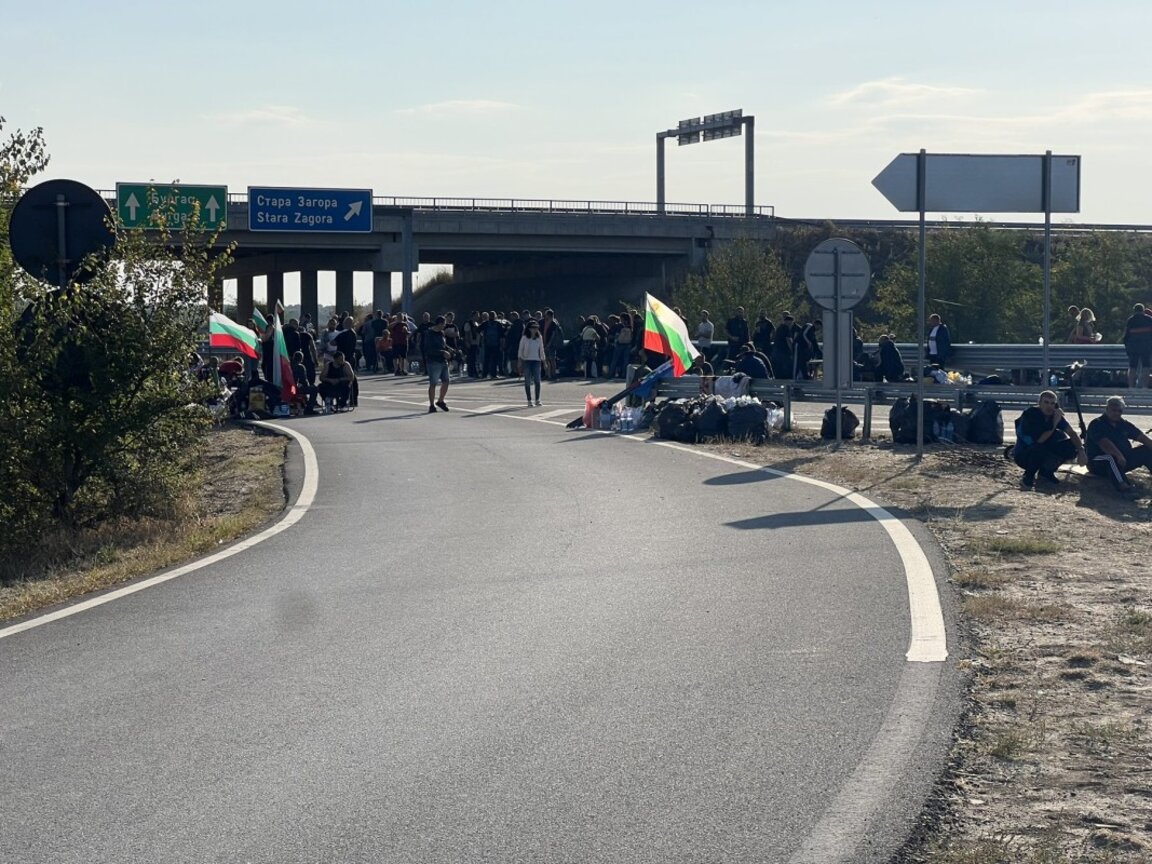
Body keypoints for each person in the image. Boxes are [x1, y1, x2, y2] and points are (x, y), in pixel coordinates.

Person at [1011, 390, 1087, 488]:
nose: (1049, 406)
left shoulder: (1055, 415)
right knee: (1039, 448)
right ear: (1039, 403)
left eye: (1052, 403)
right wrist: (1055, 423)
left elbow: (1072, 433)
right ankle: (1028, 477)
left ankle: (1046, 472)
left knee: (1071, 445)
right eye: (1046, 402)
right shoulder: (1030, 414)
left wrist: (1081, 451)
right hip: (1025, 454)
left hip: (1044, 449)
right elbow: (1039, 441)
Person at [1085, 396, 1152, 494]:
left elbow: (1142, 438)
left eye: (1119, 411)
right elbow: (1104, 443)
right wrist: (1118, 455)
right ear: (1107, 409)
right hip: (1098, 462)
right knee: (1111, 457)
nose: (1116, 413)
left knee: (1146, 450)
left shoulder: (1124, 424)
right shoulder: (1097, 424)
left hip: (1122, 461)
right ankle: (1123, 486)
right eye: (1113, 410)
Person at [422, 316, 452, 413]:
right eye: (443, 324)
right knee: (433, 383)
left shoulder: (441, 333)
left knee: (446, 381)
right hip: (433, 361)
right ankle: (431, 405)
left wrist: (450, 349)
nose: (444, 326)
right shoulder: (429, 334)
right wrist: (442, 352)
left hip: (443, 361)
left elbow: (443, 345)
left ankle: (440, 401)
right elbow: (428, 349)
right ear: (439, 324)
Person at [1122, 303, 1152, 388]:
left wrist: (1127, 348)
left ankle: (1131, 386)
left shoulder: (1130, 320)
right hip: (1146, 347)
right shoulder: (1149, 319)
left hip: (1133, 347)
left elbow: (1126, 336)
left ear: (1134, 310)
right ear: (1143, 310)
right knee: (1146, 366)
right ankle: (1144, 387)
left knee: (1132, 367)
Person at [519, 318, 546, 406]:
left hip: (536, 361)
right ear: (529, 329)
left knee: (537, 381)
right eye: (533, 327)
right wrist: (520, 361)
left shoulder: (539, 338)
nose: (535, 329)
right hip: (527, 361)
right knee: (527, 381)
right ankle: (529, 400)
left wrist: (544, 361)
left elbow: (542, 350)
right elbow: (520, 350)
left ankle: (537, 399)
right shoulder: (525, 338)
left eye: (536, 327)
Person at [771, 314, 795, 380]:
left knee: (778, 368)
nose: (791, 324)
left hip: (776, 351)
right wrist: (792, 350)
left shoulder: (779, 328)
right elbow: (789, 340)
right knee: (786, 368)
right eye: (791, 322)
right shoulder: (786, 328)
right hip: (783, 352)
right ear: (788, 321)